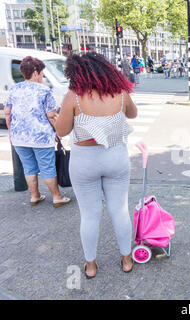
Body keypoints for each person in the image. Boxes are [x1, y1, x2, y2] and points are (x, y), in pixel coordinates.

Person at [55, 52, 138, 279]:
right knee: (120, 210)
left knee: (89, 215)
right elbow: (133, 113)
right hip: (116, 157)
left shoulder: (74, 97)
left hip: (84, 161)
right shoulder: (120, 93)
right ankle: (127, 259)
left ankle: (91, 265)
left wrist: (56, 118)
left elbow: (61, 131)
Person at [3, 56, 71, 208]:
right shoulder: (44, 90)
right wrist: (59, 131)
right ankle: (56, 197)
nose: (41, 76)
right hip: (41, 136)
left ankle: (35, 196)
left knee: (29, 167)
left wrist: (11, 132)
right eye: (41, 73)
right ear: (35, 72)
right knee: (47, 167)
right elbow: (51, 115)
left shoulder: (15, 88)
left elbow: (7, 112)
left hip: (19, 137)